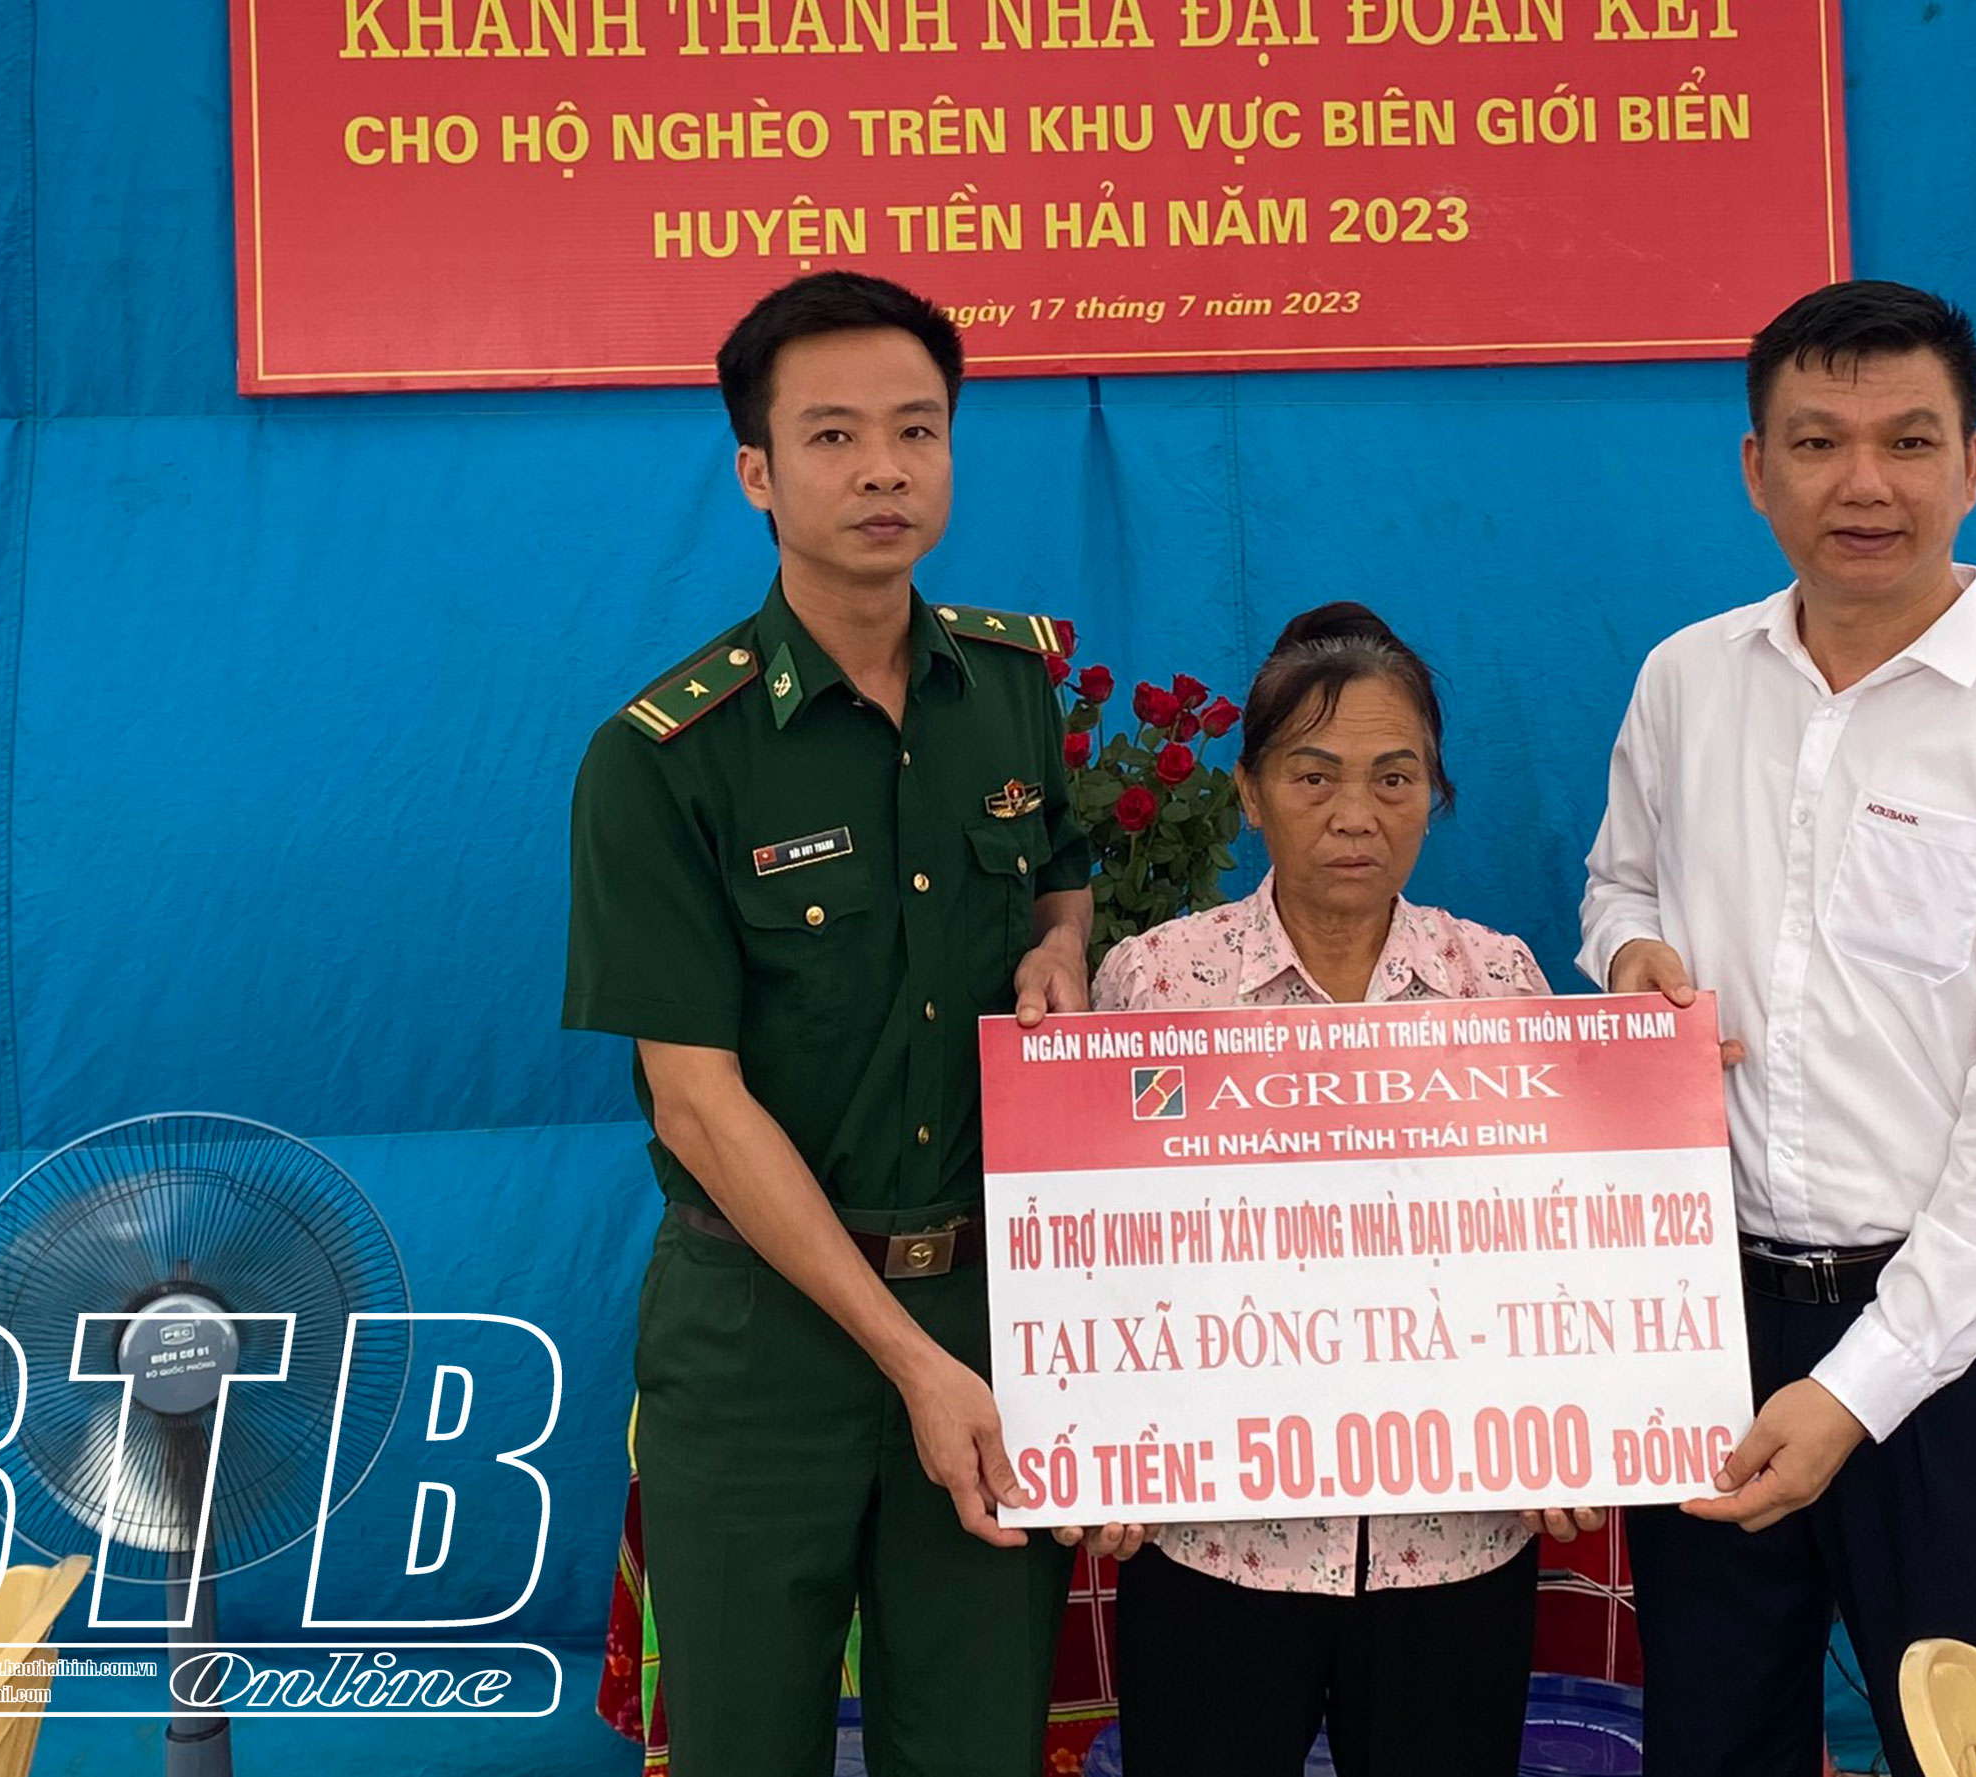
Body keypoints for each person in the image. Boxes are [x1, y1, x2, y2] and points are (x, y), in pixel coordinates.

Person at [1576, 280, 1976, 1777]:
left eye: (1908, 441)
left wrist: (1852, 1391)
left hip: (1955, 1347)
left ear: (1974, 464)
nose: (1865, 484)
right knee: (1716, 1739)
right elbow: (1618, 880)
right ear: (1755, 466)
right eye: (1818, 441)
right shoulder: (1685, 681)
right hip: (1704, 1316)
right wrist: (1631, 952)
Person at [563, 270, 1091, 1776]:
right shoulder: (665, 758)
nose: (882, 470)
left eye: (917, 430)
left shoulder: (1015, 686)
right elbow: (697, 1103)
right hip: (761, 1344)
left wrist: (1061, 948)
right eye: (835, 435)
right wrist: (910, 1363)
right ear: (757, 472)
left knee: (981, 1746)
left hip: (988, 1310)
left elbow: (1059, 871)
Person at [1084, 601, 1588, 1777]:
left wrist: (1584, 1418)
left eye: (1394, 778)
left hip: (1453, 1537)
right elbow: (1098, 1253)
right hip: (1215, 1538)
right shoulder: (1159, 982)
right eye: (1314, 776)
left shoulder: (1495, 980)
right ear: (1251, 793)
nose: (1355, 813)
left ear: (1434, 795)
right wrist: (1097, 1444)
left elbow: (1556, 1248)